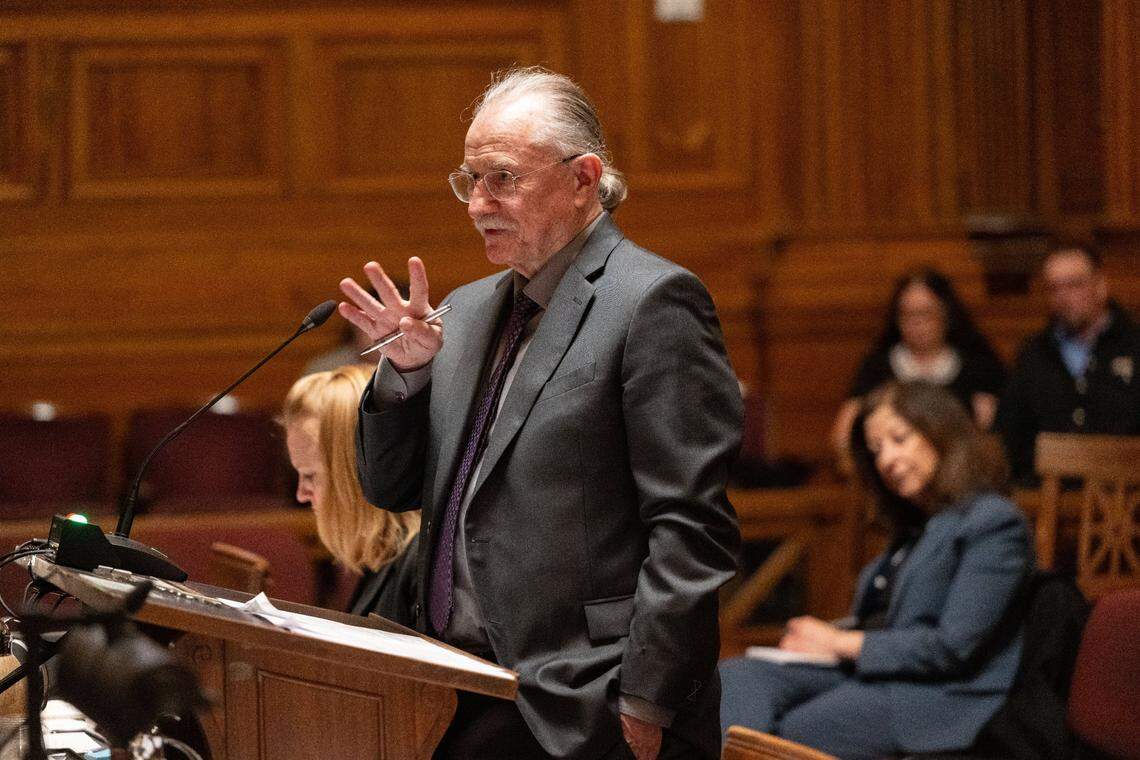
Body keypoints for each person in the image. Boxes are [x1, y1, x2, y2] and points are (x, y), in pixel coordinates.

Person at [337, 67, 742, 759]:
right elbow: (392, 490)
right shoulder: (464, 310)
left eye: (502, 178)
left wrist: (648, 699)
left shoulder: (654, 302)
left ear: (584, 178)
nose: (477, 204)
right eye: (470, 180)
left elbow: (690, 527)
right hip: (451, 688)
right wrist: (406, 376)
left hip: (583, 704)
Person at [721, 381, 1031, 759]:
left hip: (940, 694)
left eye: (899, 439)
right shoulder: (916, 524)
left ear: (940, 433)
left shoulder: (993, 523)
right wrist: (826, 638)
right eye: (877, 449)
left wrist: (839, 643)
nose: (886, 459)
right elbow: (885, 619)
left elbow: (953, 647)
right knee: (736, 678)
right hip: (877, 669)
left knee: (795, 731)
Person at [281, 365, 420, 625]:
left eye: (310, 475)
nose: (301, 494)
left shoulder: (422, 569)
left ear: (353, 475)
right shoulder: (381, 556)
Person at [996, 242, 1140, 483]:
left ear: (1100, 286)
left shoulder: (1133, 345)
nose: (1063, 297)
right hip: (1047, 496)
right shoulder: (1033, 353)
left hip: (1127, 498)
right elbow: (1010, 435)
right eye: (1054, 288)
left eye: (1074, 285)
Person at [831, 269, 1005, 468]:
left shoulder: (978, 367)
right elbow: (843, 435)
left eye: (925, 313)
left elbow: (997, 439)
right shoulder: (877, 367)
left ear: (946, 314)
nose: (917, 323)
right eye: (907, 314)